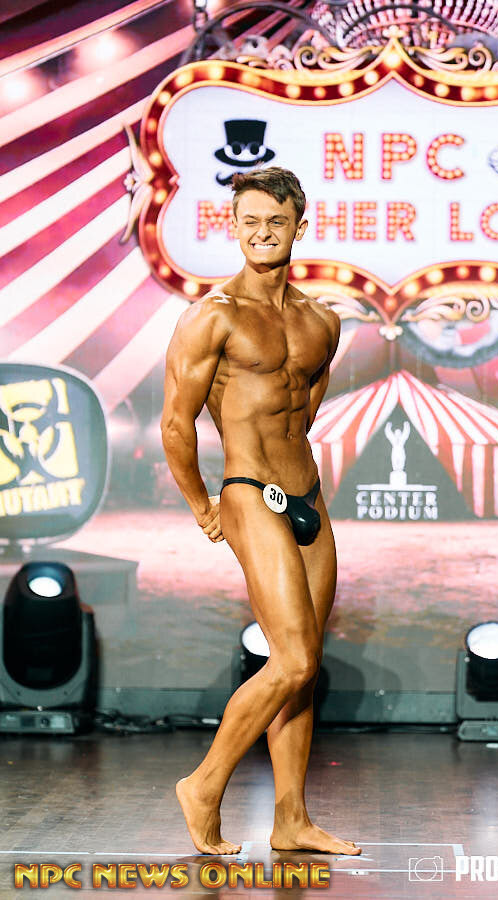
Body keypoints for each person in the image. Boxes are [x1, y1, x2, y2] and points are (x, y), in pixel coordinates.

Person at [160, 167, 361, 857]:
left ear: (299, 225)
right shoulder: (212, 316)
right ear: (234, 226)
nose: (262, 233)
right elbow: (177, 423)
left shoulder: (322, 321)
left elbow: (302, 411)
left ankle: (291, 819)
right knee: (294, 658)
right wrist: (203, 504)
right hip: (249, 491)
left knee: (305, 665)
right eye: (249, 221)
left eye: (275, 221)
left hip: (309, 496)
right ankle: (204, 785)